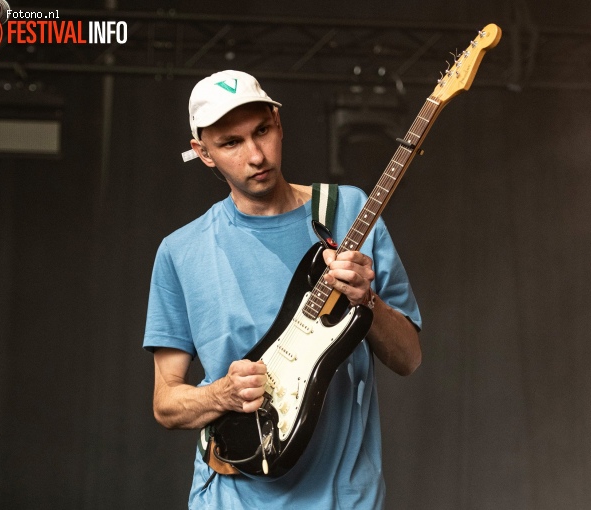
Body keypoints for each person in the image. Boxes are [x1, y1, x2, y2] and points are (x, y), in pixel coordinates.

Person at [143, 69, 422, 509]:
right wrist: (222, 393)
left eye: (262, 131)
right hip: (232, 498)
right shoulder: (182, 251)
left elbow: (408, 358)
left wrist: (366, 300)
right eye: (231, 143)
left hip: (344, 499)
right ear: (203, 153)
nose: (256, 155)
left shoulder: (349, 210)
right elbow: (166, 403)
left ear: (278, 121)